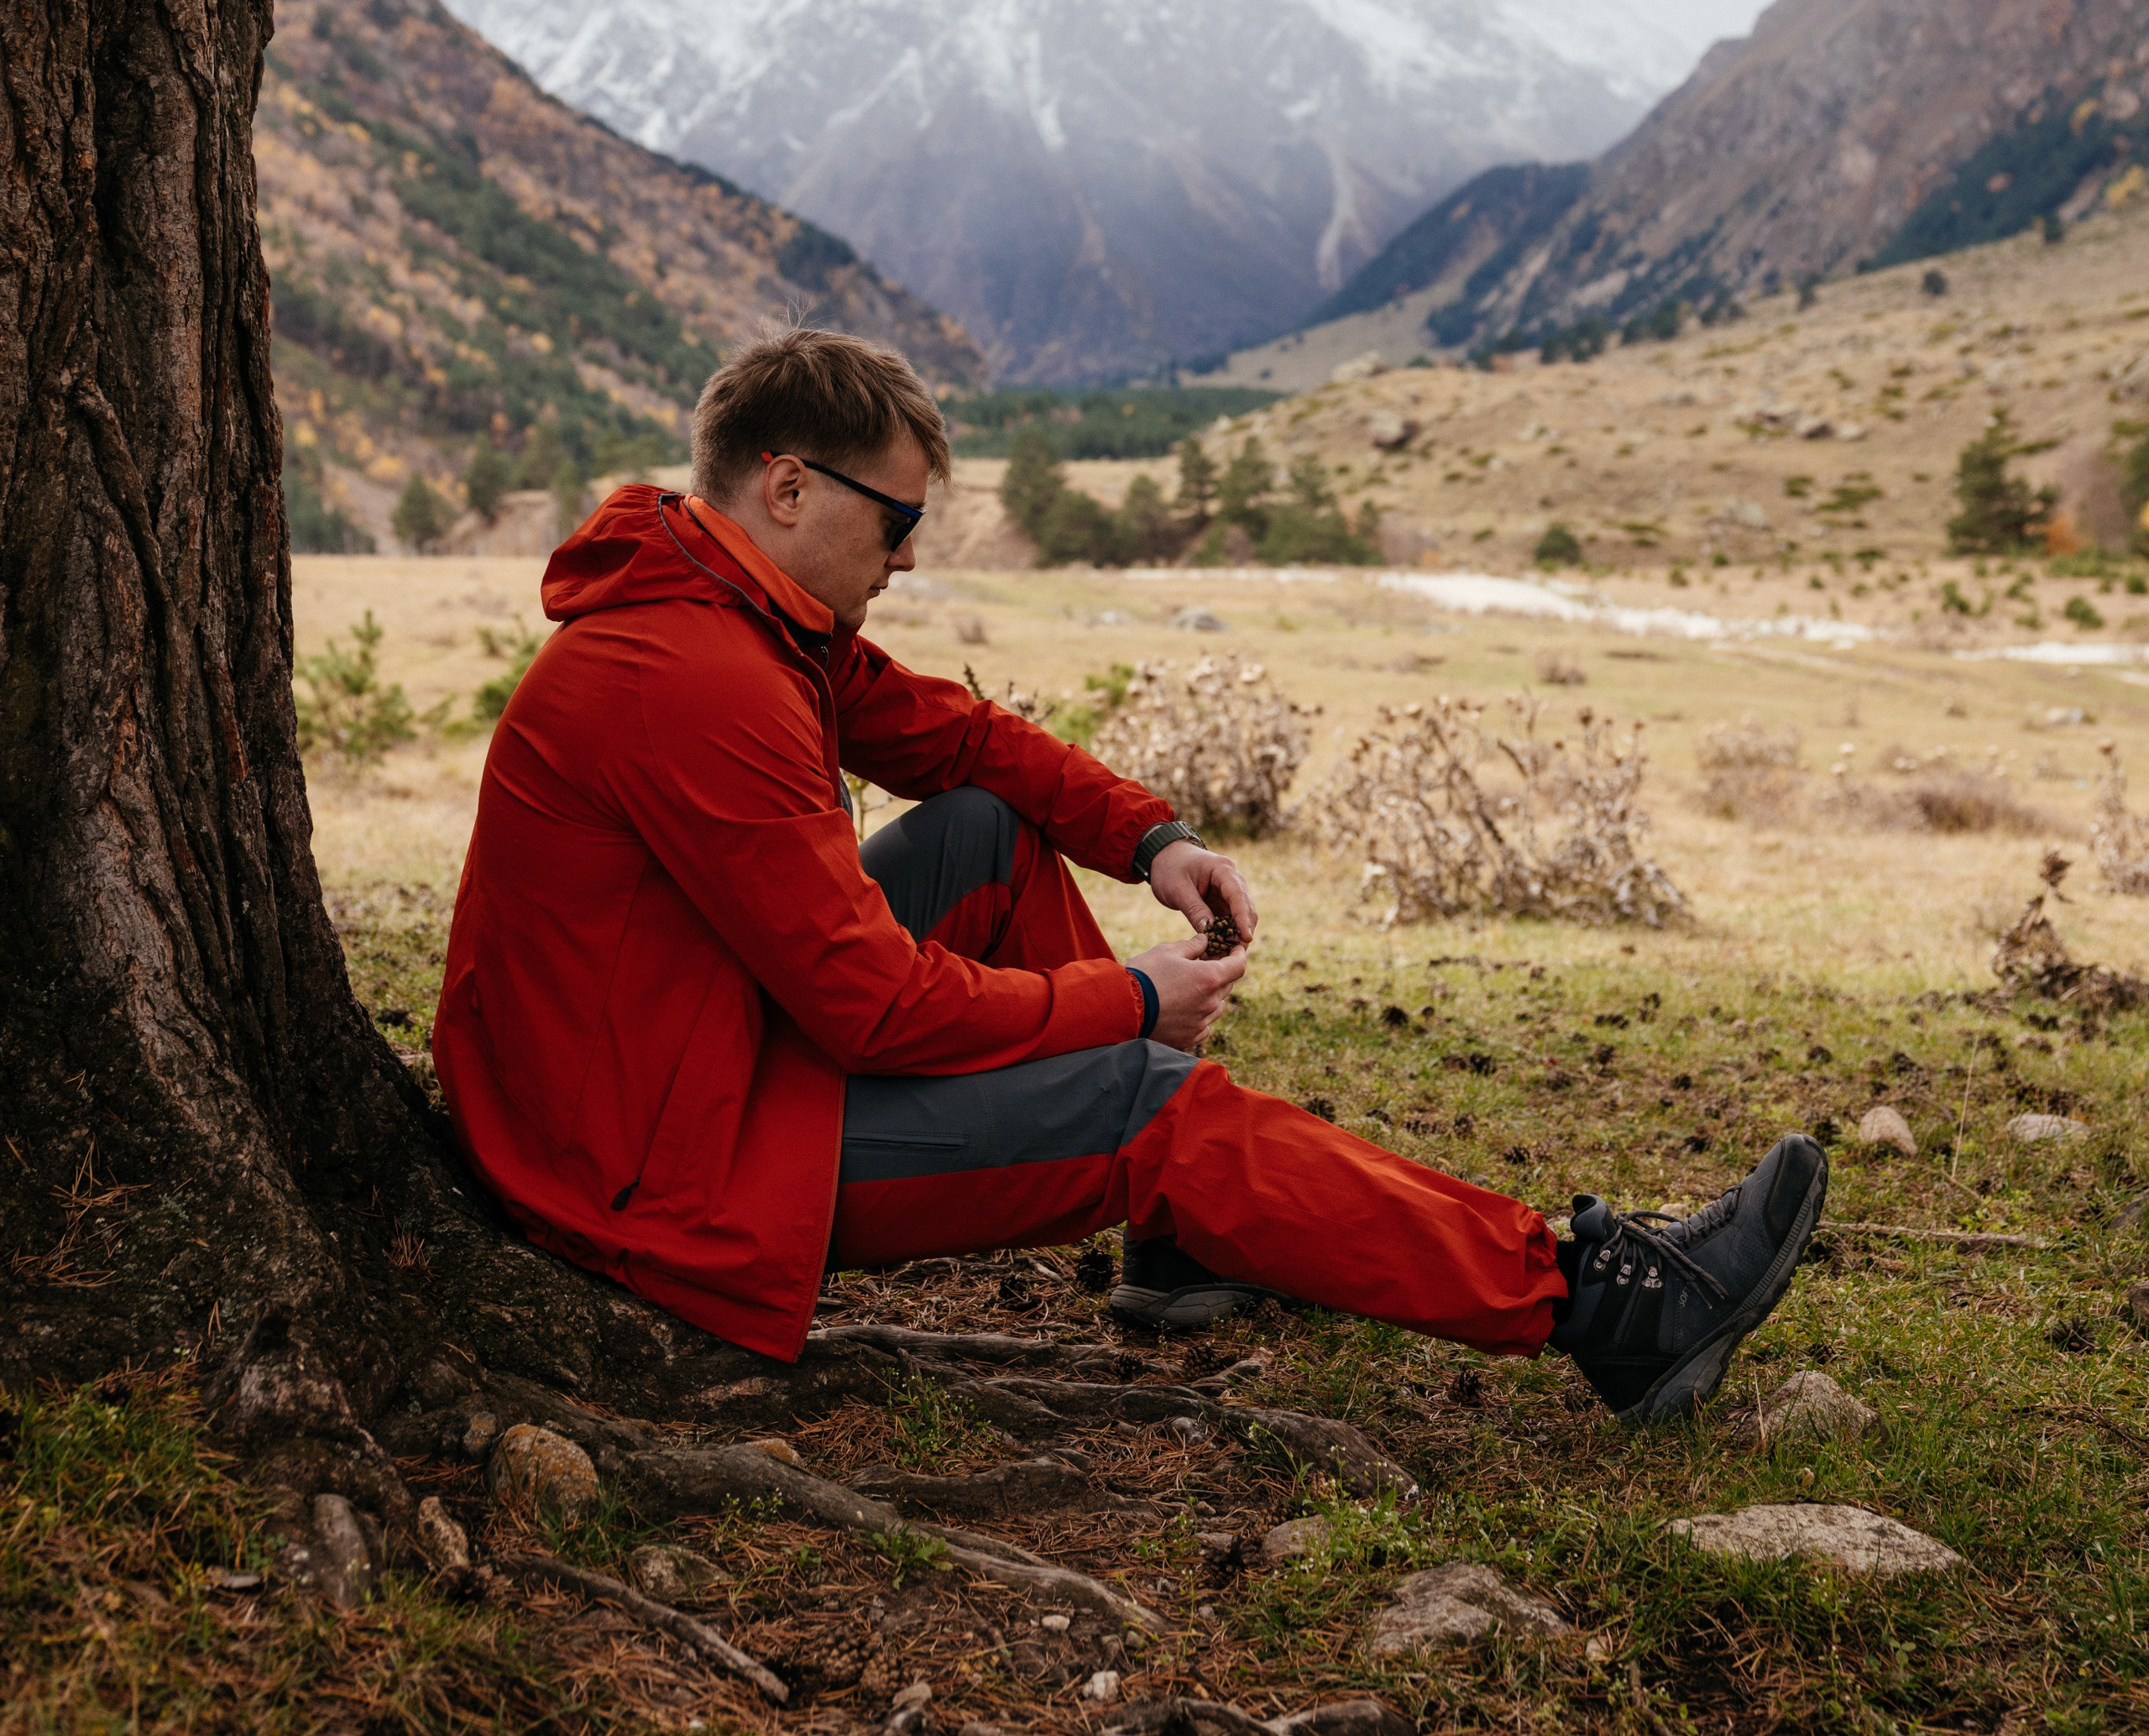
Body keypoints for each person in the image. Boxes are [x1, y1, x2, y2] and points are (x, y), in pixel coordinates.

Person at [432, 331, 1826, 1418]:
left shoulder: (730, 606)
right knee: (1155, 1102)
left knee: (980, 825)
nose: (908, 556)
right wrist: (1124, 1002)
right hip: (658, 1175)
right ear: (787, 484)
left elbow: (960, 736)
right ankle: (1609, 1309)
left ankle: (1187, 1237)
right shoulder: (694, 677)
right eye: (893, 521)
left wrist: (1153, 838)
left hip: (680, 1067)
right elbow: (867, 1006)